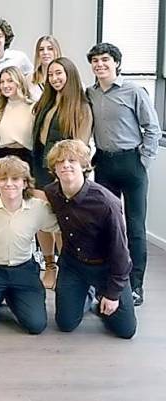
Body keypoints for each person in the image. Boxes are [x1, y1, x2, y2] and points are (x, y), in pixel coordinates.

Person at [85, 42, 161, 306]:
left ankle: (136, 286)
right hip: (104, 163)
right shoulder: (90, 93)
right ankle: (108, 282)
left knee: (135, 227)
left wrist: (143, 160)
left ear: (116, 63)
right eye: (95, 61)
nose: (100, 65)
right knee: (108, 224)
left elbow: (152, 127)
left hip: (132, 163)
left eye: (105, 60)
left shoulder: (133, 91)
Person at [44, 140, 137, 339]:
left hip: (106, 268)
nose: (66, 165)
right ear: (54, 168)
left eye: (72, 161)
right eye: (60, 161)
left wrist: (112, 294)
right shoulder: (52, 193)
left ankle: (101, 294)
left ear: (84, 166)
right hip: (73, 266)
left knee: (126, 330)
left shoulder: (106, 203)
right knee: (66, 324)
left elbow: (121, 252)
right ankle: (87, 295)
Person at [0, 156, 58, 334]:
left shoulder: (38, 208)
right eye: (2, 179)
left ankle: (14, 296)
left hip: (23, 270)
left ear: (25, 183)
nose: (9, 184)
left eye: (15, 179)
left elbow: (61, 226)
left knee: (36, 325)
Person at [31, 57, 92, 289]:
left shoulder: (81, 106)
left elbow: (80, 147)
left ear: (70, 75)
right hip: (39, 167)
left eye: (60, 74)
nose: (55, 78)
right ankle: (49, 266)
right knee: (42, 220)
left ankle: (68, 269)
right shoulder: (46, 103)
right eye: (51, 74)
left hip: (63, 172)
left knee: (60, 222)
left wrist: (64, 172)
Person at [0, 66, 34, 165]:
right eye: (2, 82)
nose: (5, 85)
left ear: (19, 82)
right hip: (1, 157)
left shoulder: (32, 107)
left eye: (10, 81)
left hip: (25, 158)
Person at [27, 35, 62, 101]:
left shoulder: (66, 75)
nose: (45, 52)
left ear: (57, 51)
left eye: (50, 49)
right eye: (41, 49)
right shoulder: (29, 79)